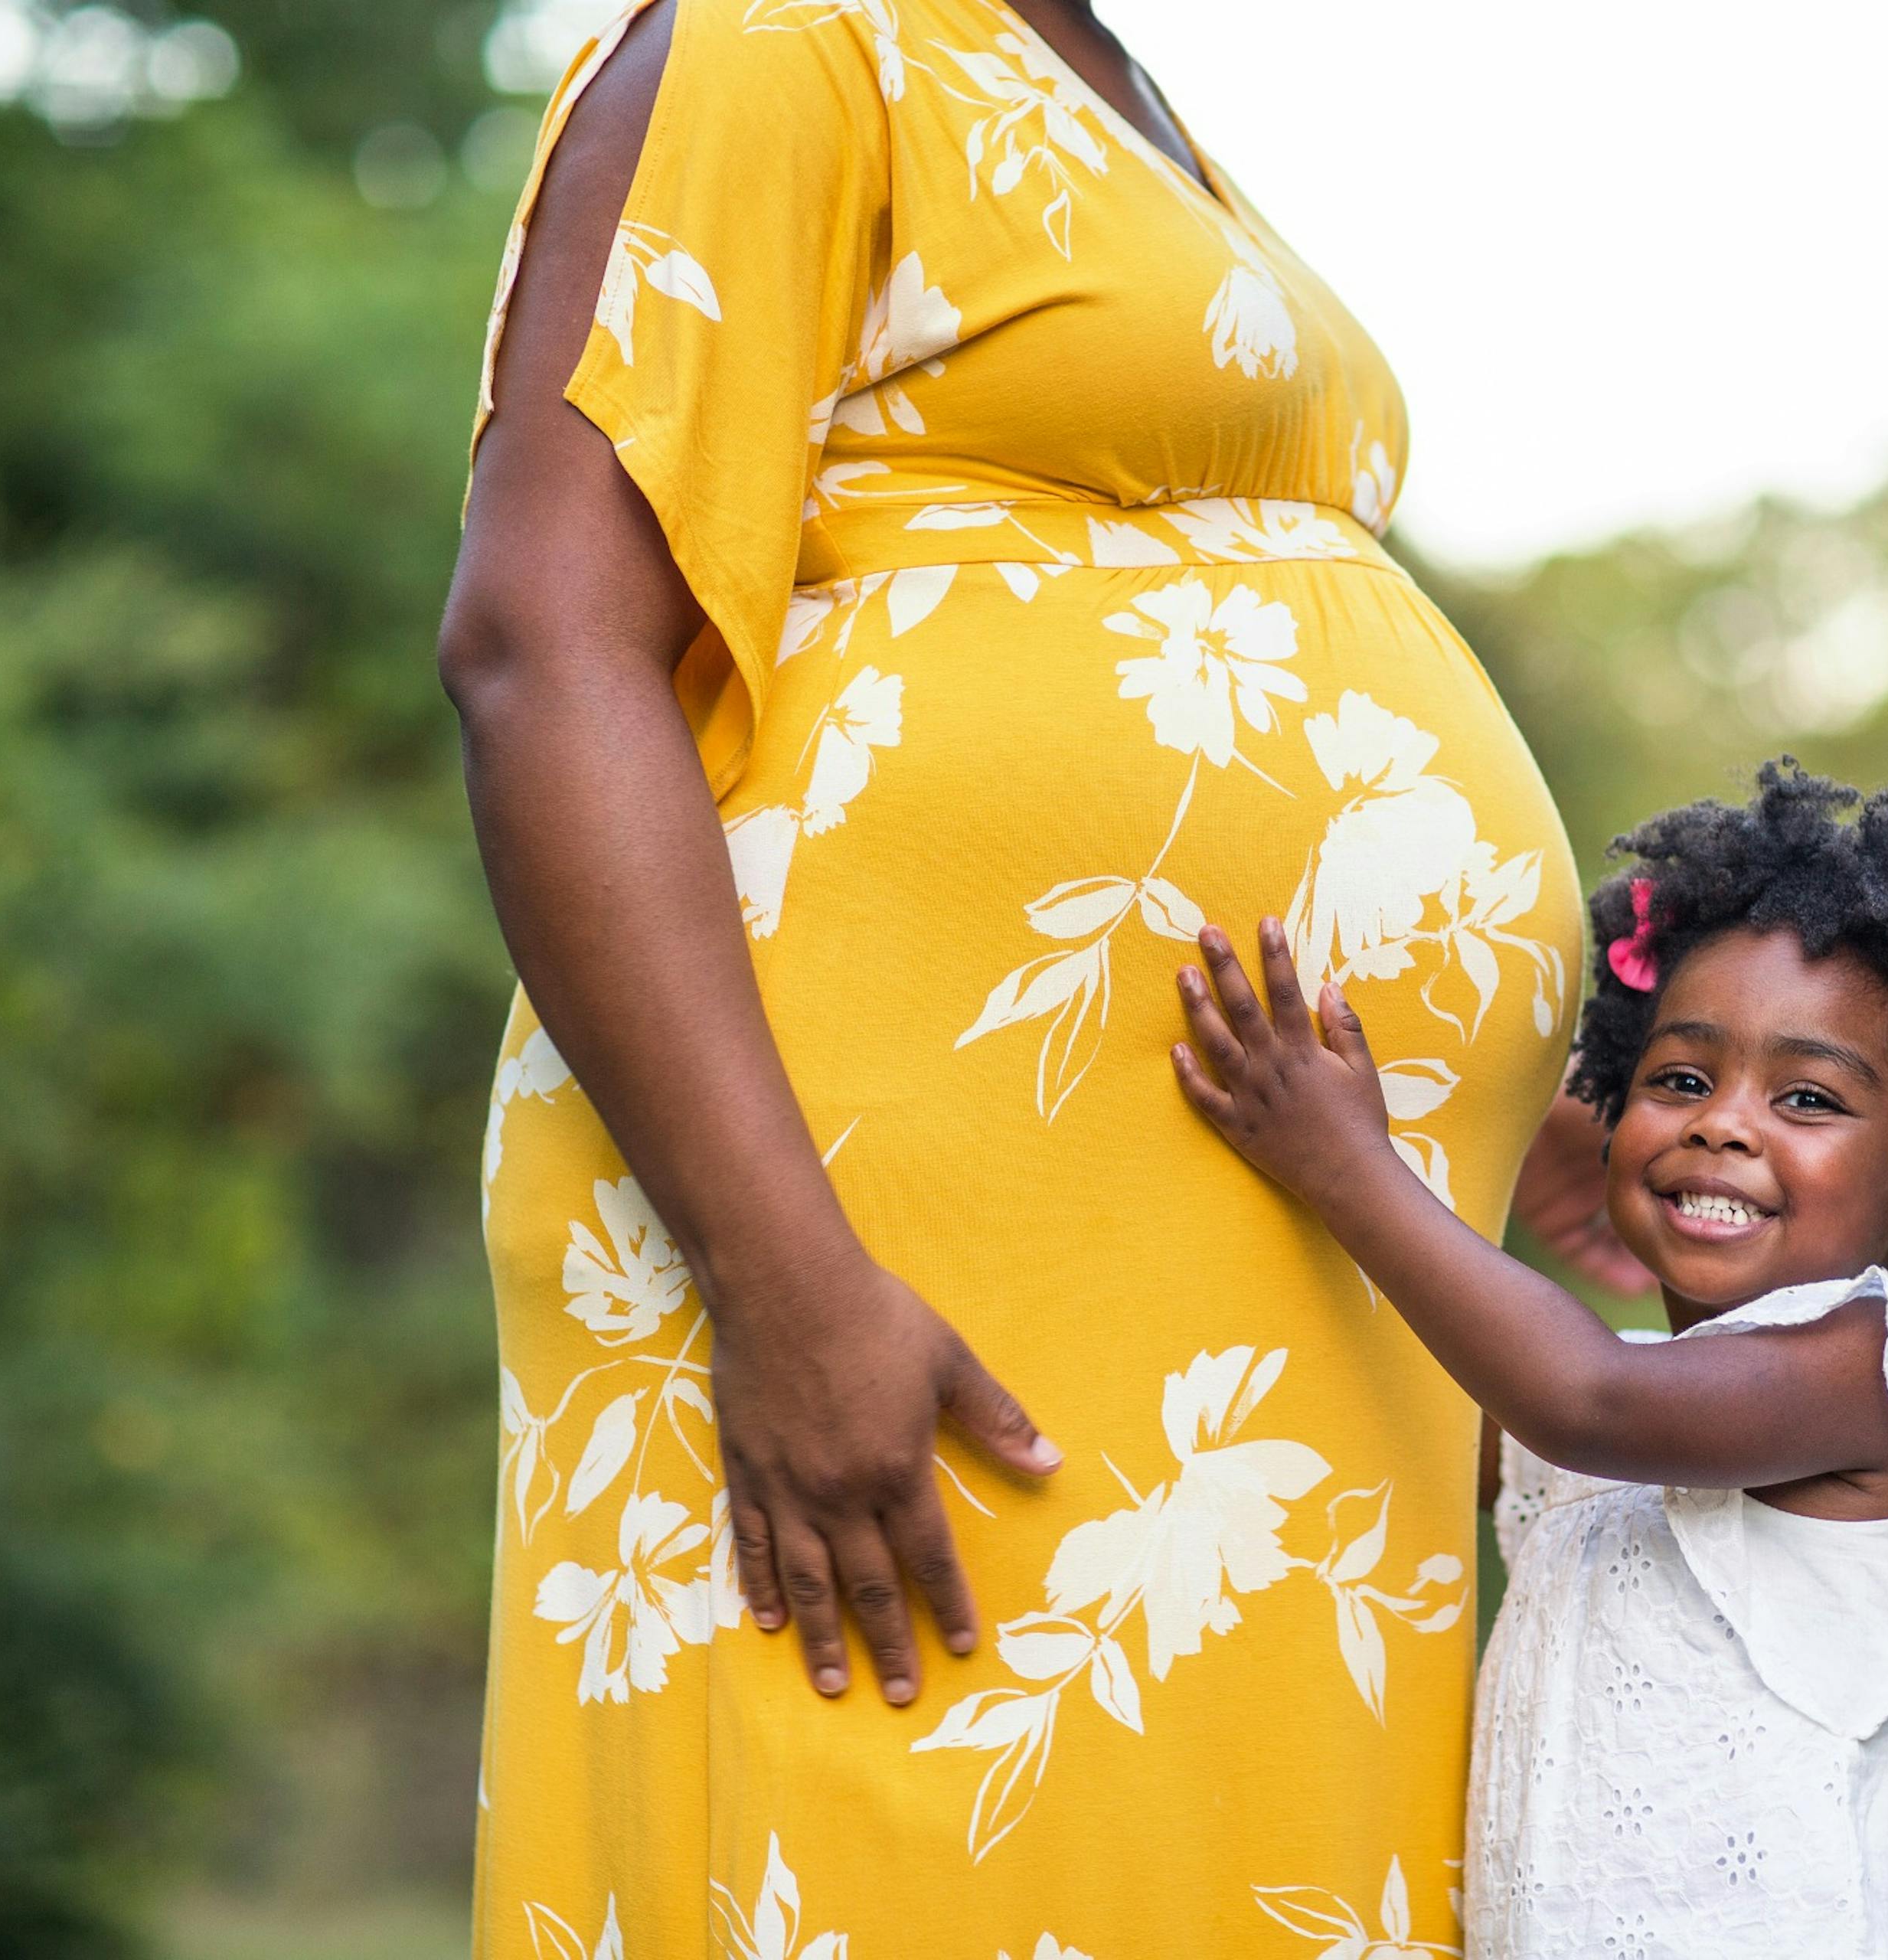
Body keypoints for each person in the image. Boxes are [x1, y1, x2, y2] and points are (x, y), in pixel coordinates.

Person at [436, 0, 1608, 1951]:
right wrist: (781, 1274)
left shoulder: (1119, 88)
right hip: (894, 1235)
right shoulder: (788, 36)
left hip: (1243, 1292)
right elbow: (544, 645)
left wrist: (1487, 1079)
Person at [1172, 763, 1888, 1958]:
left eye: (1808, 1098)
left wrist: (1348, 1165)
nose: (1724, 1121)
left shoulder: (1867, 1380)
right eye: (1681, 1079)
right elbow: (1415, 1424)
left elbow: (1584, 1395)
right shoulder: (1639, 1395)